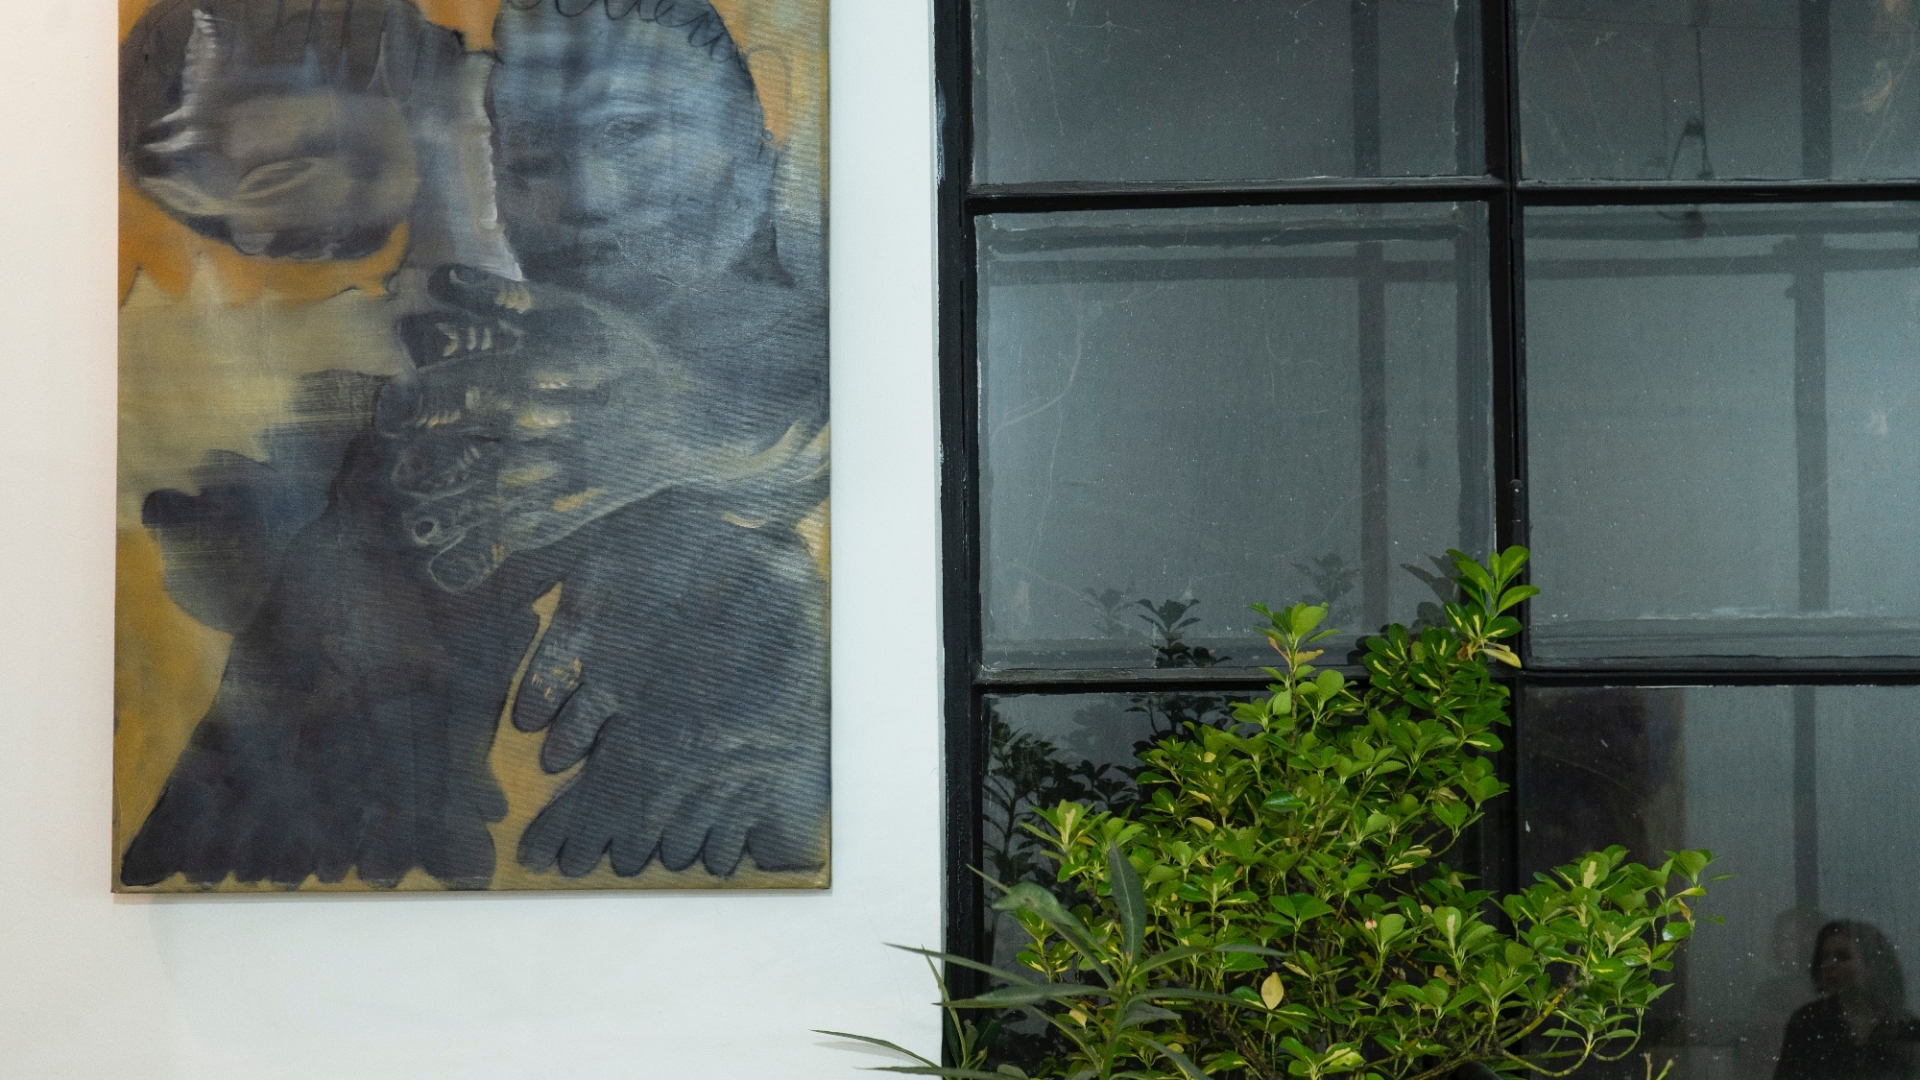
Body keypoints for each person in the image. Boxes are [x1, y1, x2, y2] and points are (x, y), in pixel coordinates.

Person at [116, 0, 829, 889]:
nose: (583, 197)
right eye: (526, 164)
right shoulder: (459, 380)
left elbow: (862, 389)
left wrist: (700, 471)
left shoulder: (827, 226)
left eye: (631, 132)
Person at [1774, 919, 1920, 1080]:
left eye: (1842, 957)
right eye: (1824, 957)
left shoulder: (1905, 1028)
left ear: (1872, 965)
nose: (1828, 965)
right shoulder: (1808, 1022)